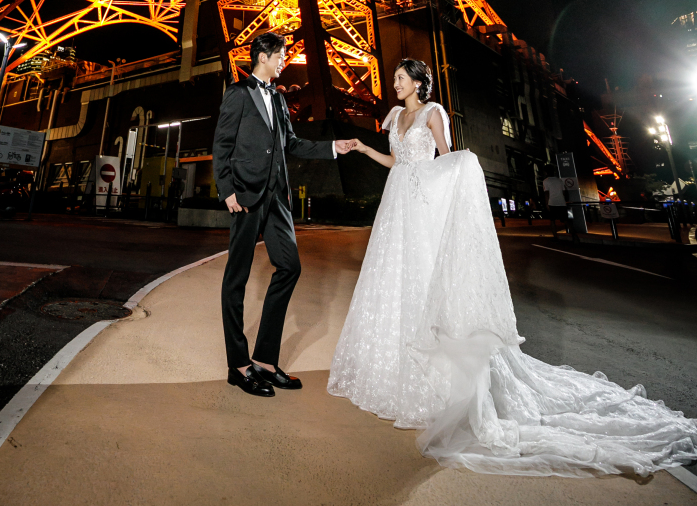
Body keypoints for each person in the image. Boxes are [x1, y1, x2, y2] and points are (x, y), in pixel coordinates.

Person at [327, 57, 697, 477]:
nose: (392, 83)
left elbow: (445, 162)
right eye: (394, 78)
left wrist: (461, 179)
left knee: (427, 282)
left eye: (398, 77)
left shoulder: (434, 113)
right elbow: (396, 163)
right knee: (394, 283)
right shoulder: (395, 116)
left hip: (422, 207)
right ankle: (395, 370)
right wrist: (361, 148)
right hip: (396, 207)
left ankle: (440, 377)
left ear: (417, 82)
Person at [213, 32, 353, 398]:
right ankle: (239, 365)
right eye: (280, 56)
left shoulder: (277, 98)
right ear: (263, 56)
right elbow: (222, 145)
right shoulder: (238, 93)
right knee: (237, 279)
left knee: (290, 266)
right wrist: (226, 190)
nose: (283, 61)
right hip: (244, 195)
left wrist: (332, 148)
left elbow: (290, 143)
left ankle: (264, 360)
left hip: (277, 198)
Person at [542, 164, 569, 236]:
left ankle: (555, 237)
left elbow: (546, 193)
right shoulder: (560, 181)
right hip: (562, 202)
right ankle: (574, 236)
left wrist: (547, 204)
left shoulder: (546, 181)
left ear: (546, 172)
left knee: (552, 221)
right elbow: (564, 192)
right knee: (566, 220)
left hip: (552, 203)